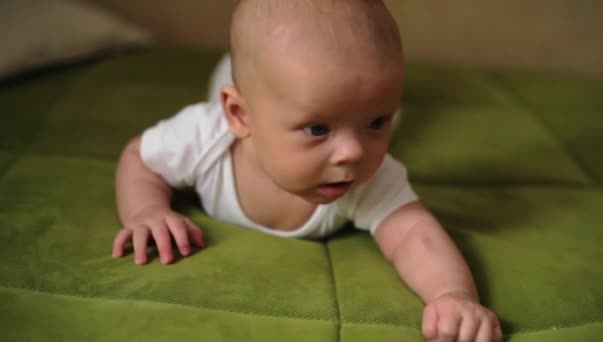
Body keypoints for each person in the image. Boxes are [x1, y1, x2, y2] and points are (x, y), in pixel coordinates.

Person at [111, 0, 503, 341]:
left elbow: (416, 235)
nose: (351, 154)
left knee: (353, 103)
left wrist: (453, 295)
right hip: (235, 81)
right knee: (248, 72)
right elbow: (139, 159)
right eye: (318, 129)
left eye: (377, 122)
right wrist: (146, 211)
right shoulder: (203, 137)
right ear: (239, 115)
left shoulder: (369, 175)